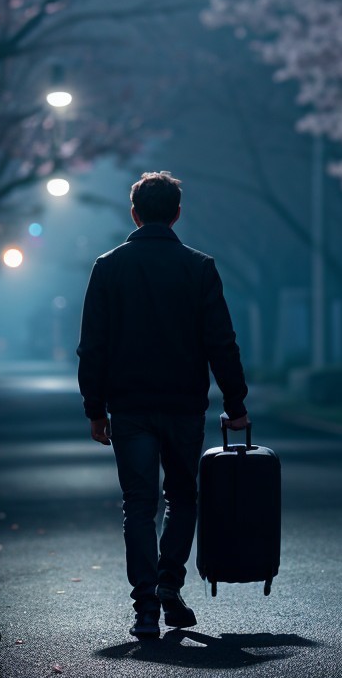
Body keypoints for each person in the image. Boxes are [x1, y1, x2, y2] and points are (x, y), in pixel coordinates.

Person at [77, 170, 250, 639]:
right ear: (177, 213)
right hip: (183, 404)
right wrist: (235, 402)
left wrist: (95, 408)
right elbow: (221, 341)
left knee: (138, 504)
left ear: (134, 213)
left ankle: (145, 607)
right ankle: (170, 584)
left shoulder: (108, 266)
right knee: (182, 496)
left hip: (129, 406)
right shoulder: (199, 267)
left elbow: (92, 344)